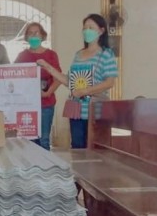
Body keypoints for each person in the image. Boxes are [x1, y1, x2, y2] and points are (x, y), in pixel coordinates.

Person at [37, 14, 118, 148]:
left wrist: (85, 91)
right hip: (76, 110)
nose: (87, 31)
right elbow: (70, 81)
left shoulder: (106, 54)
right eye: (85, 28)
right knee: (77, 147)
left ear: (101, 30)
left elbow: (110, 82)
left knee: (96, 148)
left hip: (96, 110)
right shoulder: (78, 54)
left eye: (91, 27)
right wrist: (47, 66)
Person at [14, 22, 61, 151]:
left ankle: (46, 169)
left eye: (36, 33)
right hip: (27, 105)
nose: (33, 35)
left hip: (46, 103)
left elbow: (58, 77)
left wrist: (48, 93)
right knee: (29, 141)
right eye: (30, 33)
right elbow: (14, 77)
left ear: (42, 35)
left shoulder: (51, 55)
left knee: (44, 139)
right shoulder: (22, 56)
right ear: (26, 37)